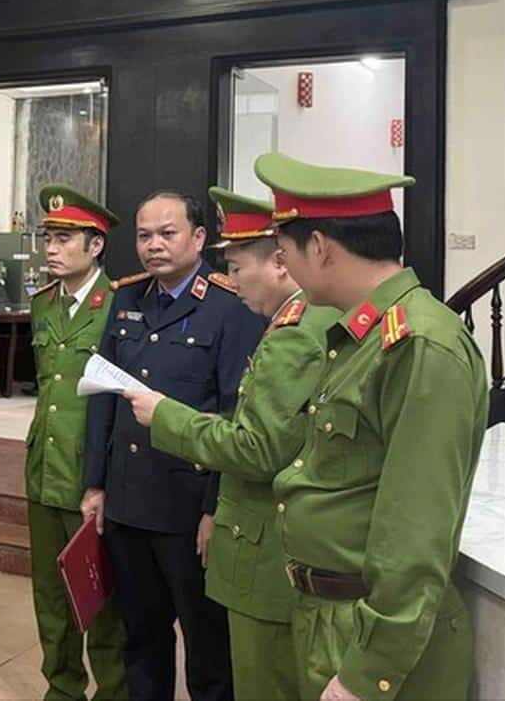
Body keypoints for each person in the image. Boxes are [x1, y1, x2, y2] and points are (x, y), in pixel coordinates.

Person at [251, 152, 488, 701]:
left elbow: (416, 531)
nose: (284, 268)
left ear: (319, 246)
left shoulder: (420, 345)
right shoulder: (360, 338)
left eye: (284, 252)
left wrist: (369, 671)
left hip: (375, 638)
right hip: (330, 617)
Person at [123, 186, 342, 700]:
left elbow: (257, 446)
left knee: (239, 672)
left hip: (260, 542)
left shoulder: (295, 331)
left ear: (281, 263)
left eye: (239, 268)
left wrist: (167, 417)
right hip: (185, 512)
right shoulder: (299, 320)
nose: (233, 280)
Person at [82, 191, 266, 701]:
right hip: (128, 502)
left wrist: (215, 508)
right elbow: (102, 396)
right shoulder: (127, 299)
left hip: (188, 508)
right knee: (141, 640)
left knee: (208, 649)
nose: (153, 245)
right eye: (144, 236)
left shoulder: (229, 306)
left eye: (167, 234)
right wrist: (95, 484)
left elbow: (236, 416)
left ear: (199, 238)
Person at [24, 185, 128, 701]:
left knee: (101, 599)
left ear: (96, 245)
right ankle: (62, 689)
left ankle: (114, 692)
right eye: (49, 238)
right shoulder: (43, 304)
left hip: (91, 475)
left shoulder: (120, 305)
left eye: (65, 239)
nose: (52, 248)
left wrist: (101, 480)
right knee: (51, 598)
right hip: (45, 469)